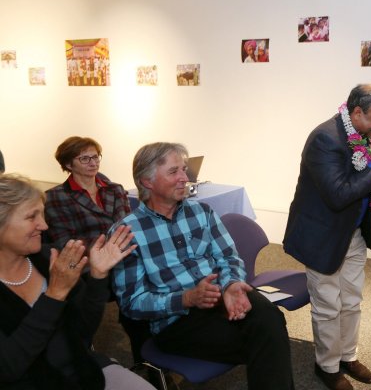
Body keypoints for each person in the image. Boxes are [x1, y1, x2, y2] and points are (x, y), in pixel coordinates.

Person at [111, 142, 295, 390]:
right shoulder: (126, 233)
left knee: (269, 317)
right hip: (175, 321)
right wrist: (187, 298)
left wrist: (231, 284)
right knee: (267, 340)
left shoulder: (202, 212)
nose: (184, 178)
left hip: (220, 297)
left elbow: (229, 257)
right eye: (174, 171)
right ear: (147, 182)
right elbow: (132, 304)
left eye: (184, 169)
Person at [283, 84, 371, 390]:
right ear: (356, 113)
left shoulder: (366, 134)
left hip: (354, 232)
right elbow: (339, 194)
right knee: (328, 304)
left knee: (352, 300)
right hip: (324, 235)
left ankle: (347, 356)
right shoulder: (325, 139)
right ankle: (327, 367)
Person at [0, 174, 155, 390]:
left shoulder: (50, 258)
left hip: (82, 371)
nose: (43, 225)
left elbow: (83, 331)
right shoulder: (55, 268)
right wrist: (54, 294)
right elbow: (8, 368)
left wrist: (98, 277)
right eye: (31, 217)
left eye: (42, 215)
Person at [43, 136, 150, 366]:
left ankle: (147, 360)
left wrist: (112, 245)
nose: (93, 163)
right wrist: (109, 246)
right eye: (85, 158)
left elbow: (128, 228)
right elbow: (67, 244)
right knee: (129, 290)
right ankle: (87, 358)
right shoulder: (56, 197)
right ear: (68, 164)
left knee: (142, 291)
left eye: (95, 157)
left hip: (122, 258)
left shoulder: (115, 189)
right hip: (88, 267)